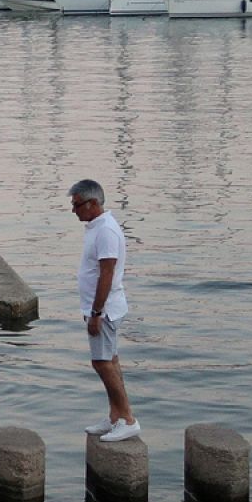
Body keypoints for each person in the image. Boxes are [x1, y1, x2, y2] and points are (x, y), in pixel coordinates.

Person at [69, 179, 139, 441]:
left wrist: (97, 313)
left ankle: (128, 418)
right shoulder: (96, 227)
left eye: (77, 205)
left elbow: (106, 274)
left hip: (105, 310)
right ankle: (115, 416)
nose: (74, 210)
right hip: (100, 308)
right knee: (111, 361)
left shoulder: (106, 231)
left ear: (93, 203)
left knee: (102, 363)